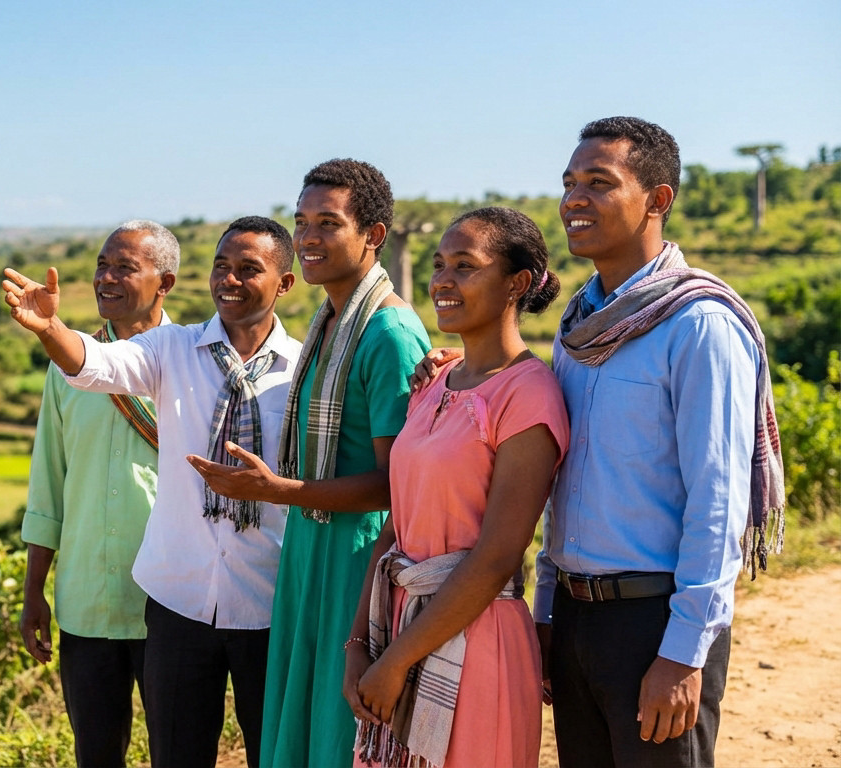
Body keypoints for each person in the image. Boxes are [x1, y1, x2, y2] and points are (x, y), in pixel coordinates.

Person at [416, 117, 785, 767]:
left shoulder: (698, 326)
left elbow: (717, 501)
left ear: (658, 200)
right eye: (568, 184)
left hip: (655, 621)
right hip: (579, 620)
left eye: (598, 183)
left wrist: (682, 653)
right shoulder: (578, 325)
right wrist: (551, 611)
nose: (573, 200)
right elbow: (568, 480)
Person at [3, 216, 302, 768]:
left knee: (274, 753)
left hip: (267, 598)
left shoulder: (304, 370)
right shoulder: (174, 350)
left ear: (284, 283)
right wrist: (50, 330)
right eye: (220, 267)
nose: (229, 280)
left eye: (247, 270)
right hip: (175, 600)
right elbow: (90, 366)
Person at [188, 158, 430, 768]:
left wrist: (279, 491)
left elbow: (398, 487)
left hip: (356, 558)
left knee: (336, 733)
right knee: (303, 725)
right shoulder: (329, 321)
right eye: (302, 222)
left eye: (329, 222)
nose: (309, 238)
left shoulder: (388, 334)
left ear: (373, 236)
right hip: (312, 550)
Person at [348, 206, 568, 768]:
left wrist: (395, 661)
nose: (443, 280)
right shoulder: (433, 383)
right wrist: (360, 647)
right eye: (440, 264)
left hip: (475, 639)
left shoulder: (528, 395)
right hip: (401, 623)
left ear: (517, 283)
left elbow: (496, 558)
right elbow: (395, 530)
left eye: (465, 266)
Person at [18, 219, 179, 767]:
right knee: (96, 754)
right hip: (85, 601)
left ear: (166, 283)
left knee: (177, 751)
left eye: (125, 267)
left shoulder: (196, 361)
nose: (106, 278)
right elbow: (49, 482)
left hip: (170, 603)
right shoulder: (65, 366)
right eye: (101, 267)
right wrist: (34, 589)